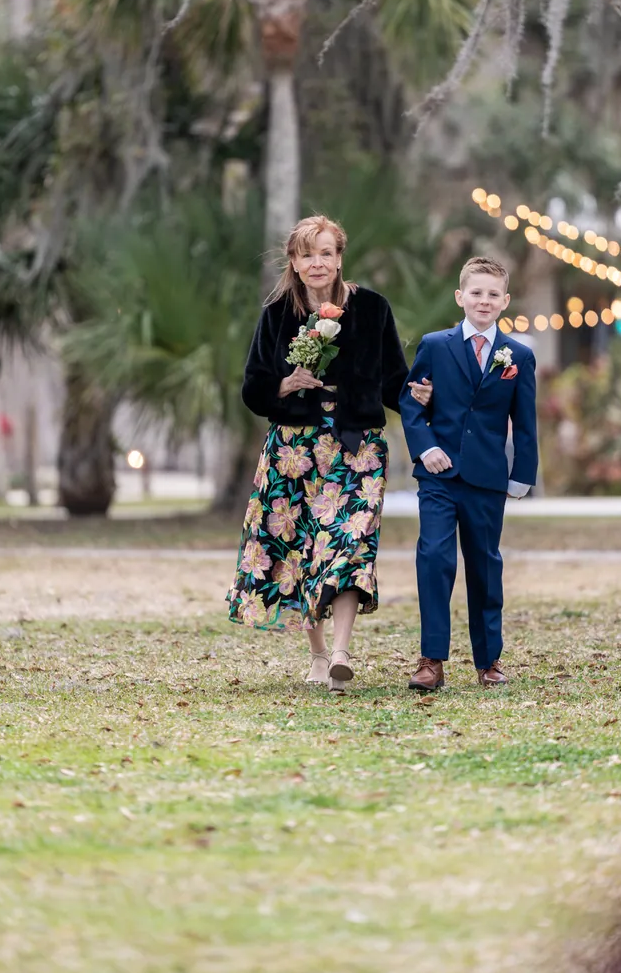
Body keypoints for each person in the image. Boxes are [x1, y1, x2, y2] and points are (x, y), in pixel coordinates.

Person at [227, 214, 409, 692]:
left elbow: (395, 380)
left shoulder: (372, 309)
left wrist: (423, 398)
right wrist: (286, 384)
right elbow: (253, 388)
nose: (317, 263)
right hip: (295, 450)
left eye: (326, 253)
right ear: (294, 260)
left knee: (350, 546)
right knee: (305, 552)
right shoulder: (277, 315)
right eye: (307, 254)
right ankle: (318, 654)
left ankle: (344, 653)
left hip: (358, 448)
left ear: (339, 257)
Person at [399, 256, 538, 691]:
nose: (484, 300)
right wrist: (426, 449)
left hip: (486, 479)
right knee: (435, 559)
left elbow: (527, 422)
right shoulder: (435, 346)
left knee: (484, 565)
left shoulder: (518, 356)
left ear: (505, 301)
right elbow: (411, 402)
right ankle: (431, 660)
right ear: (460, 297)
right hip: (439, 477)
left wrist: (522, 475)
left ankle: (488, 660)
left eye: (493, 294)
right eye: (475, 292)